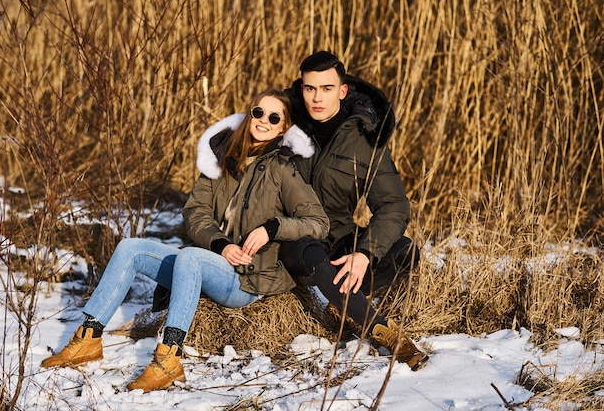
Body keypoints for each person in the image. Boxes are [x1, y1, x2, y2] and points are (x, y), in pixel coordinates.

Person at [40, 89, 329, 392]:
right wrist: (220, 244)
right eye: (259, 113)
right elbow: (195, 212)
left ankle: (169, 359)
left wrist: (272, 228)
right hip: (213, 260)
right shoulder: (223, 158)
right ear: (250, 114)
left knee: (190, 256)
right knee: (130, 248)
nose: (264, 122)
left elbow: (318, 223)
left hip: (248, 278)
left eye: (274, 118)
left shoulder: (283, 170)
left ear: (283, 127)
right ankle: (88, 338)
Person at [281, 51, 429, 371]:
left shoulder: (364, 140)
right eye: (310, 88)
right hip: (291, 239)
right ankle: (386, 335)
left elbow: (393, 206)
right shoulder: (282, 125)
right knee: (311, 251)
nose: (317, 97)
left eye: (327, 88)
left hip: (337, 236)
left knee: (405, 252)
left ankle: (343, 303)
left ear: (343, 90)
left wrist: (364, 252)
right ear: (301, 87)